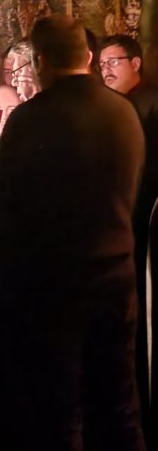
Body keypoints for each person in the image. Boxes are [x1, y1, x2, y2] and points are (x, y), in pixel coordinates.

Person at [0, 15, 145, 450]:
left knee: (59, 418)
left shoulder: (28, 120)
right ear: (88, 56)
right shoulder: (123, 112)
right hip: (117, 282)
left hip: (51, 291)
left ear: (40, 62)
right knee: (121, 410)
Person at [100, 33, 158, 441]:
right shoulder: (116, 109)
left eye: (114, 62)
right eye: (101, 64)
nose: (106, 71)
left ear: (136, 63)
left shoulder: (148, 105)